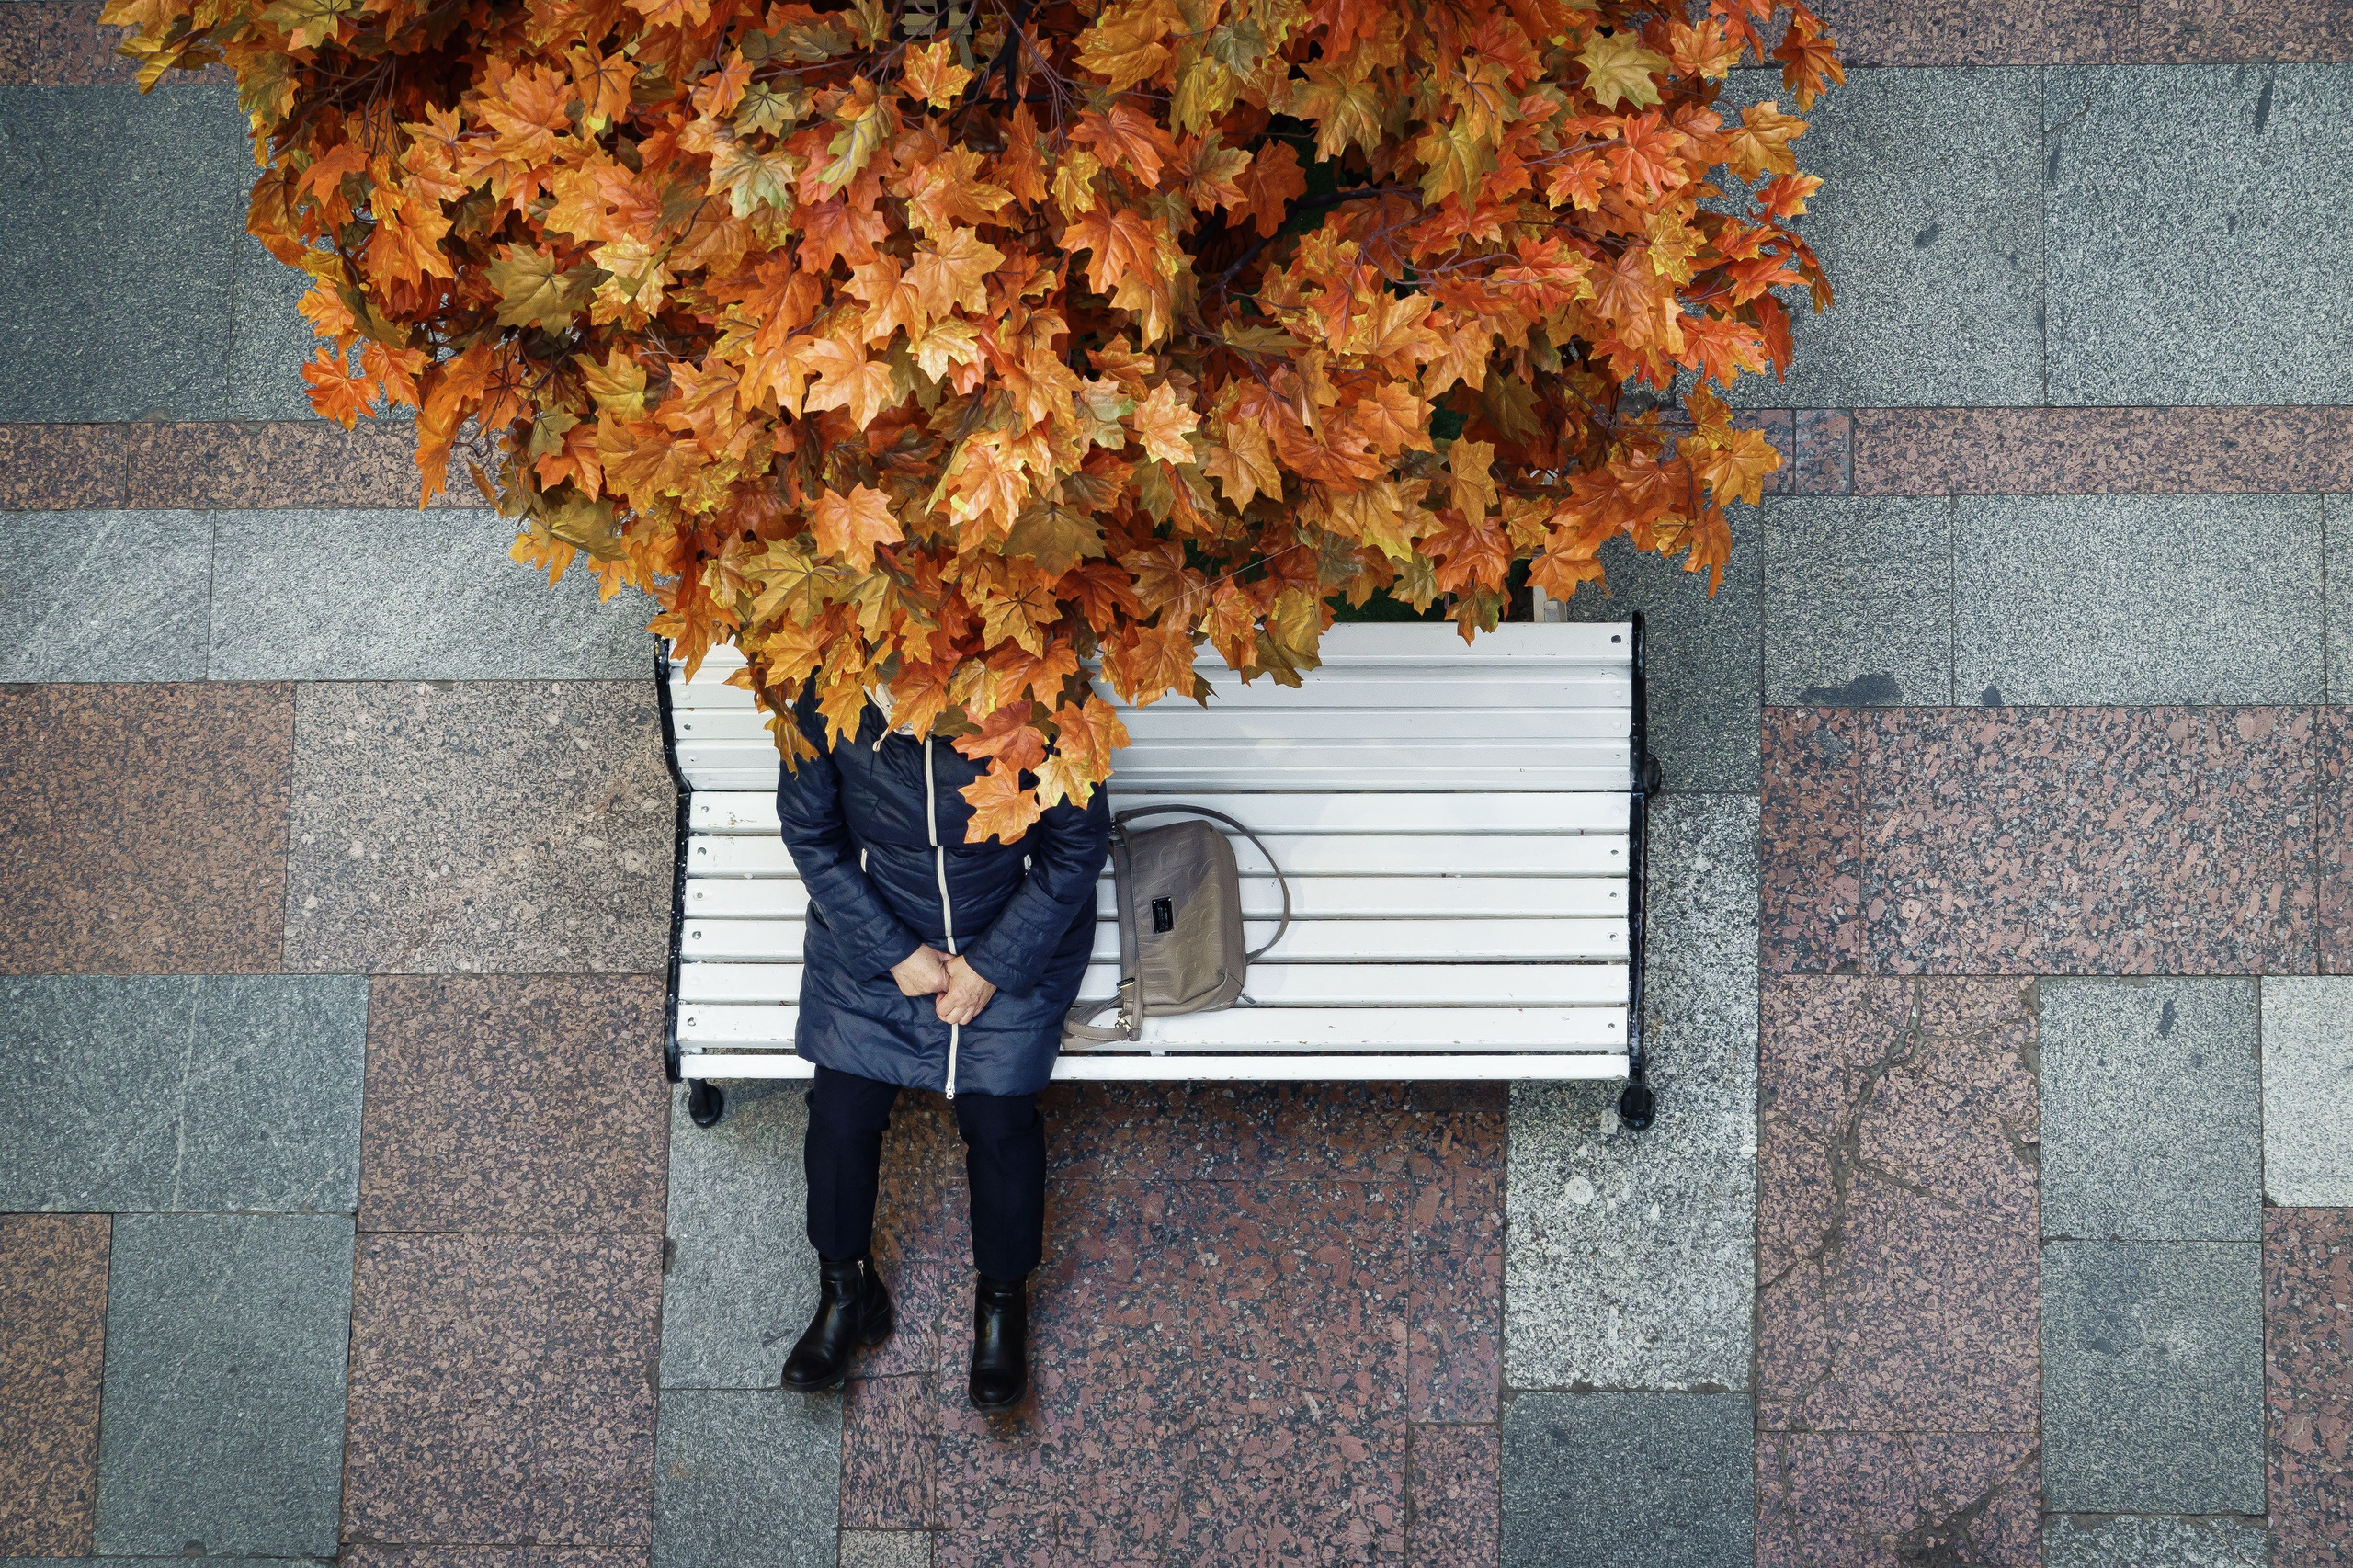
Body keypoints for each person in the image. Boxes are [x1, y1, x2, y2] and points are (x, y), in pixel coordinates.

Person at [773, 682, 1110, 1410]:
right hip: (873, 939)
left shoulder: (1039, 690)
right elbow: (811, 835)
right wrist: (895, 952)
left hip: (1012, 936)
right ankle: (844, 1289)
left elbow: (1076, 849)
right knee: (840, 1110)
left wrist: (990, 966)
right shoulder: (826, 689)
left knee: (999, 1121)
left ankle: (1002, 1303)